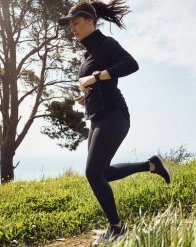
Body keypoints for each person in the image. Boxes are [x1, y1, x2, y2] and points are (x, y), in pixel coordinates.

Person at [58, 0, 171, 243]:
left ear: (90, 21)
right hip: (99, 116)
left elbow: (131, 64)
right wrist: (87, 94)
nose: (73, 29)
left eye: (76, 23)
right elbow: (99, 83)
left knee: (92, 173)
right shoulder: (89, 52)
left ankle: (117, 228)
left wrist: (96, 76)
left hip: (114, 115)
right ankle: (152, 165)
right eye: (70, 25)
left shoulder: (106, 44)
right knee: (103, 173)